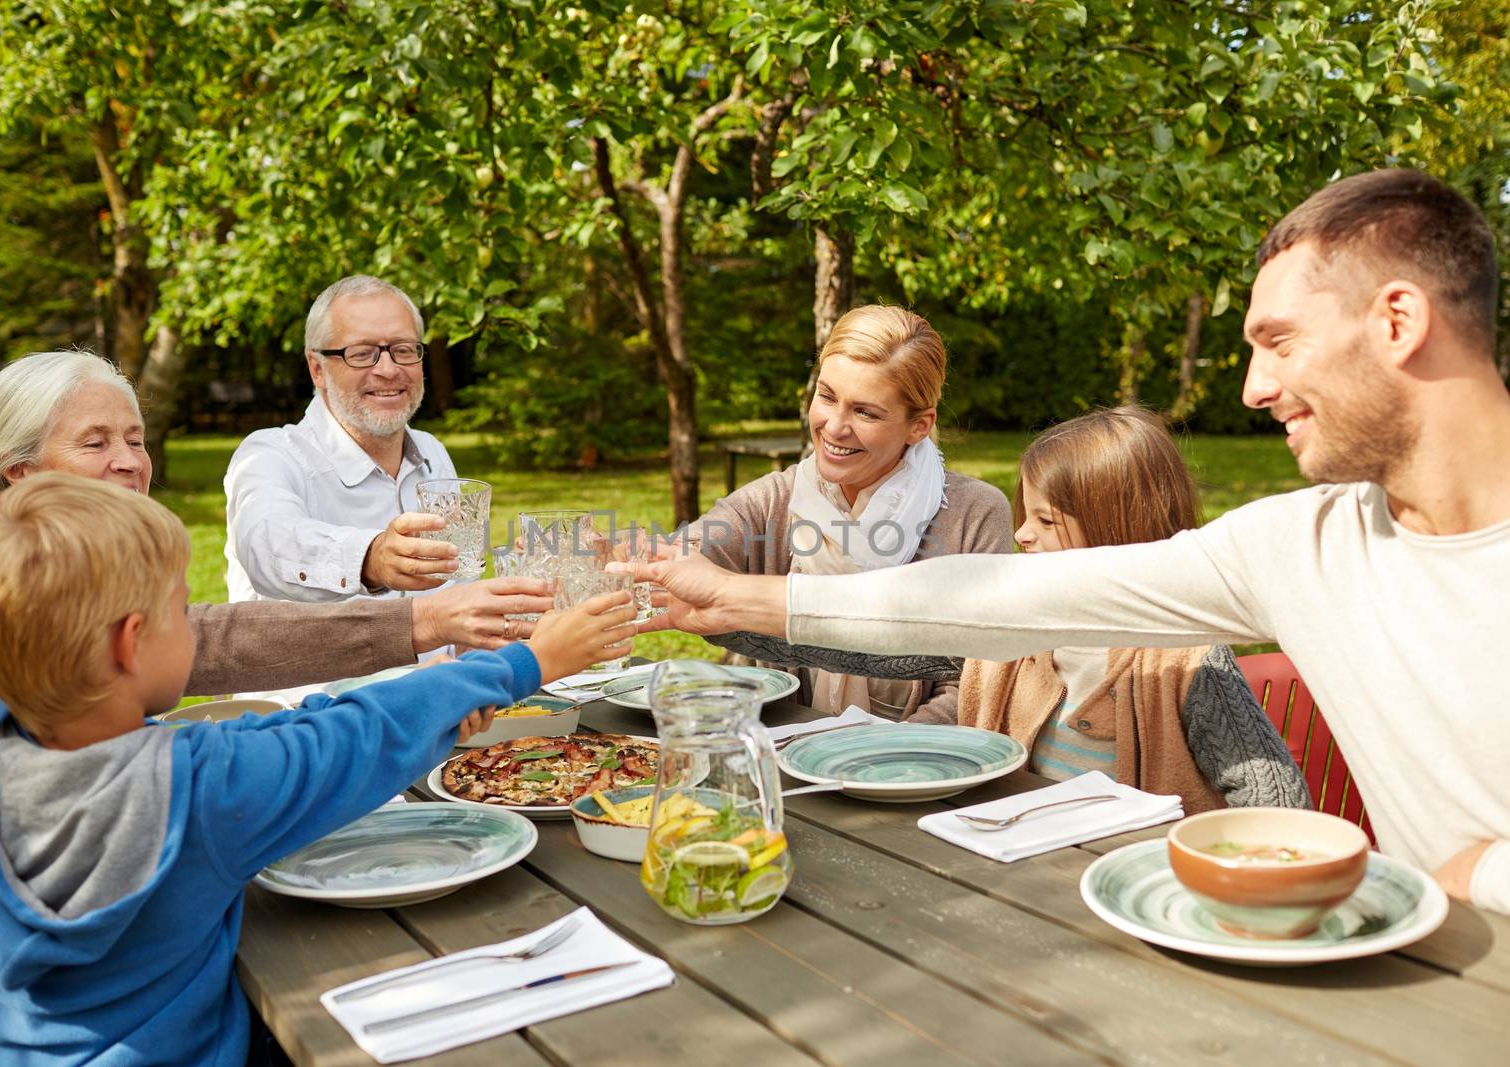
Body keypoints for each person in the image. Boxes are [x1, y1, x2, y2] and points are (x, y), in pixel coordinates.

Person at [626, 169, 1510, 912]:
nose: (1252, 387)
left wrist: (1481, 872)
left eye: (1278, 342)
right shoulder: (1296, 546)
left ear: (1398, 321)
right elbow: (990, 605)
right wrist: (729, 599)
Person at [0, 474, 635, 1065]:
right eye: (183, 610)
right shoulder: (196, 789)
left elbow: (264, 741)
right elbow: (353, 739)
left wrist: (446, 699)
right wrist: (526, 664)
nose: (193, 625)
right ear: (130, 643)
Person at [0, 350, 549, 927]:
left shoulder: (20, 569)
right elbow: (217, 645)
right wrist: (435, 629)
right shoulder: (10, 593)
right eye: (95, 442)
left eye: (135, 437)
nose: (130, 460)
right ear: (19, 474)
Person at [914, 406, 1308, 812]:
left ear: (1114, 531)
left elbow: (1280, 800)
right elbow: (905, 655)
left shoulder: (1189, 658)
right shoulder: (1010, 630)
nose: (1021, 534)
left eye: (1045, 521)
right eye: (1026, 514)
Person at [692, 305, 1011, 720]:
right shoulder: (779, 498)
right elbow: (693, 550)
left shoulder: (977, 514)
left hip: (920, 770)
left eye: (865, 412)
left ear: (919, 425)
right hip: (790, 760)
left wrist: (872, 761)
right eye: (826, 397)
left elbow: (974, 685)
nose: (834, 426)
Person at [225, 274, 469, 603]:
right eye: (362, 353)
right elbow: (266, 545)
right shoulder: (271, 455)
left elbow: (456, 589)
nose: (388, 369)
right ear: (317, 369)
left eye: (402, 349)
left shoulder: (432, 452)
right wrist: (371, 558)